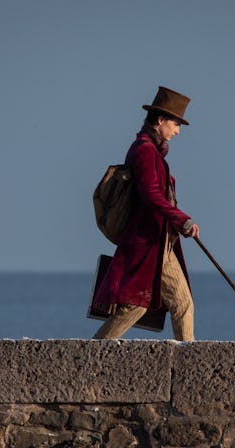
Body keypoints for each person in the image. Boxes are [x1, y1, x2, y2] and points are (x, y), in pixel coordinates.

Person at [92, 86, 199, 341]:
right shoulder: (144, 150)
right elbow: (151, 194)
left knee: (176, 304)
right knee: (140, 305)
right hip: (148, 243)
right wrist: (181, 219)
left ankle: (188, 364)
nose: (177, 131)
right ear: (160, 120)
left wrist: (177, 223)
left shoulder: (149, 149)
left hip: (159, 241)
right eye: (175, 123)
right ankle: (90, 356)